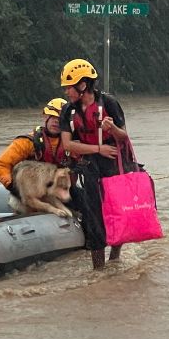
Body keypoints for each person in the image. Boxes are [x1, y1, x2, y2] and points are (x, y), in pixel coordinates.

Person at [58, 58, 126, 269]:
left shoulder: (109, 104)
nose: (67, 92)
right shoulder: (67, 112)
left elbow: (124, 137)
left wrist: (112, 129)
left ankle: (115, 259)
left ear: (83, 85)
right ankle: (98, 270)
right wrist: (98, 149)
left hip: (113, 166)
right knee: (94, 219)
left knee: (116, 213)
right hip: (89, 168)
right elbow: (68, 145)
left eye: (69, 87)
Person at [0, 98, 74, 192]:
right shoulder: (28, 142)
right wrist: (12, 186)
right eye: (53, 117)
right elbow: (2, 165)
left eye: (60, 119)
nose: (56, 121)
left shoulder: (71, 143)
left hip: (59, 190)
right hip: (31, 191)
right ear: (46, 117)